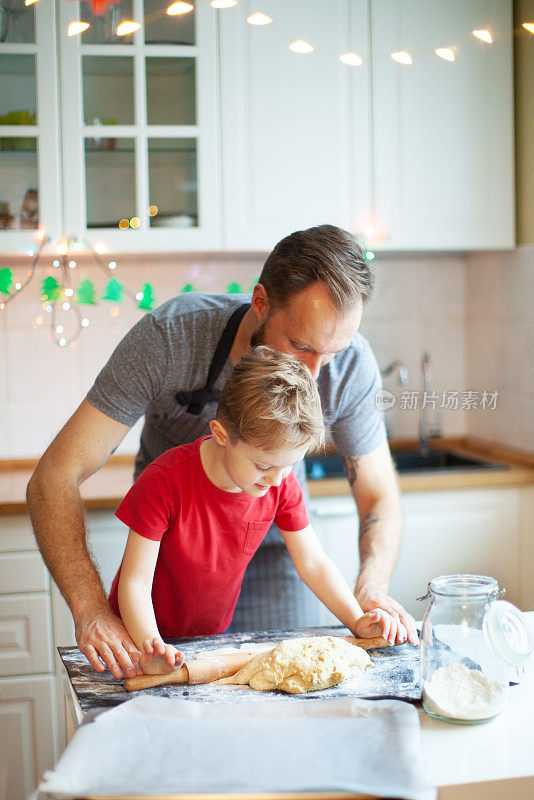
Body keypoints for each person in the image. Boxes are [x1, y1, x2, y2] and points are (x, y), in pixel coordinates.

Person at [27, 224, 418, 681]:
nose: (313, 374)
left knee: (278, 690)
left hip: (273, 543)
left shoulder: (347, 371)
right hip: (168, 554)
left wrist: (369, 594)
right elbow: (55, 474)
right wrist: (92, 611)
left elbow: (379, 496)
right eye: (301, 346)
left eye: (333, 352)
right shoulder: (170, 338)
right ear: (261, 303)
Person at [113, 347, 396, 675]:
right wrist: (151, 645)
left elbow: (313, 563)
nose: (276, 479)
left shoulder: (279, 483)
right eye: (263, 465)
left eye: (289, 466)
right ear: (222, 435)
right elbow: (134, 583)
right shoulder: (164, 481)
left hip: (207, 642)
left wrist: (356, 620)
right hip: (135, 640)